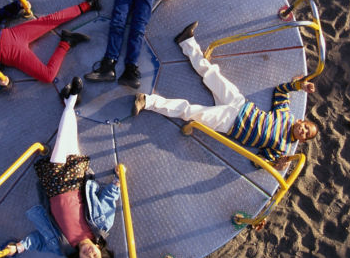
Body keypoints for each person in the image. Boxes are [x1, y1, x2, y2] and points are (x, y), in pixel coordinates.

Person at [132, 21, 319, 169]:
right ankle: (186, 42)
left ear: (302, 140)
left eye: (306, 134)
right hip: (240, 104)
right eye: (306, 127)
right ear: (301, 121)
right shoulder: (286, 116)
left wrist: (275, 165)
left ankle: (147, 101)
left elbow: (257, 161)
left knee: (190, 111)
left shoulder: (282, 148)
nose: (303, 131)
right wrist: (299, 86)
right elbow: (280, 91)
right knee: (211, 74)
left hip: (232, 124)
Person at [4, 77, 121, 258]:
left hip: (54, 186)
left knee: (62, 139)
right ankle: (70, 100)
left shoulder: (62, 245)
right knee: (69, 137)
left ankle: (71, 99)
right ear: (99, 248)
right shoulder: (101, 226)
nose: (89, 254)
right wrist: (117, 183)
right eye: (95, 255)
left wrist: (19, 247)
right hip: (76, 181)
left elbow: (39, 240)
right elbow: (107, 200)